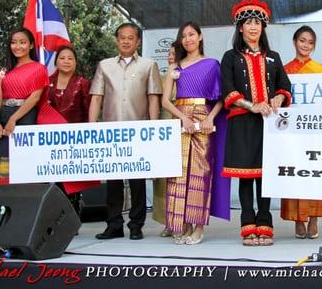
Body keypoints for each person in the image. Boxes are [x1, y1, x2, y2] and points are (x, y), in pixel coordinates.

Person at [221, 0, 292, 246]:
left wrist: (279, 97)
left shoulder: (273, 57)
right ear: (240, 28)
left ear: (263, 27)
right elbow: (228, 90)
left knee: (266, 176)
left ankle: (265, 224)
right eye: (248, 23)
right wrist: (254, 105)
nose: (253, 27)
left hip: (269, 125)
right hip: (242, 123)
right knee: (246, 176)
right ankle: (248, 226)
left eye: (257, 23)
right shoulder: (230, 57)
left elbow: (285, 85)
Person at [89, 22, 162, 240]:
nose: (126, 41)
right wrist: (92, 126)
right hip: (110, 133)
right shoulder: (104, 65)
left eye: (131, 37)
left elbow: (153, 98)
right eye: (122, 37)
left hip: (138, 131)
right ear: (117, 40)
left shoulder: (149, 65)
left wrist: (153, 126)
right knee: (113, 182)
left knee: (137, 181)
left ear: (138, 41)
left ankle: (136, 225)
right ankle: (113, 225)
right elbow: (96, 97)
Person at [161, 22, 224, 245]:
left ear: (200, 36)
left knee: (200, 173)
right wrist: (183, 118)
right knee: (178, 174)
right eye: (184, 36)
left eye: (191, 34)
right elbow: (165, 100)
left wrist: (209, 118)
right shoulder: (175, 67)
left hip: (204, 121)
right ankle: (182, 224)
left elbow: (221, 99)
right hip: (180, 119)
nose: (188, 39)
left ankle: (198, 228)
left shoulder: (212, 64)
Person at [281, 25, 322, 239]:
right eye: (302, 41)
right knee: (295, 173)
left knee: (315, 173)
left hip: (315, 131)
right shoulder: (284, 69)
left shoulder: (321, 70)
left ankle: (314, 219)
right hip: (293, 132)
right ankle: (298, 219)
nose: (306, 45)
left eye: (310, 42)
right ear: (294, 42)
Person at [0, 27, 57, 185]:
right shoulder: (4, 72)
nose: (17, 46)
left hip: (26, 116)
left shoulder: (39, 68)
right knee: (2, 160)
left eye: (22, 42)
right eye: (13, 43)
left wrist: (13, 119)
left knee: (25, 159)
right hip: (3, 115)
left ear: (31, 45)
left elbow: (34, 98)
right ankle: (2, 198)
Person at [47, 45, 99, 203]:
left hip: (75, 143)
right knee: (53, 185)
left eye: (70, 58)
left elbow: (90, 109)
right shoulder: (46, 83)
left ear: (76, 62)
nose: (66, 61)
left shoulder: (83, 83)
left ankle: (73, 222)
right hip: (51, 142)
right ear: (56, 62)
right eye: (62, 58)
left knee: (72, 187)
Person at [153, 44, 177, 236]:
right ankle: (167, 222)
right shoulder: (159, 78)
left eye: (174, 53)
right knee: (163, 179)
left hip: (183, 128)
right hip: (163, 130)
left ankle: (182, 221)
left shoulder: (189, 74)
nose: (170, 56)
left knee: (181, 178)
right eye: (169, 53)